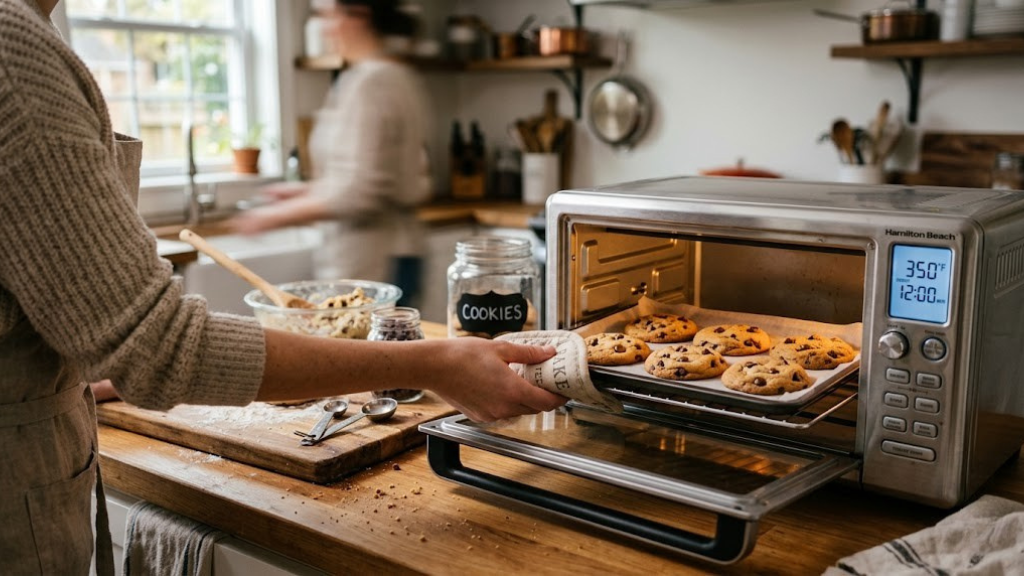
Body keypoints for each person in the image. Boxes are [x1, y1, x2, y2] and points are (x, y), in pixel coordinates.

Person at [0, 0, 566, 573]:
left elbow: (125, 339)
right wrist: (437, 362)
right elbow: (158, 347)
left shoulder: (26, 44)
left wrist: (82, 367)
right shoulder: (13, 49)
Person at [229, 0, 432, 307]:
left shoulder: (372, 82)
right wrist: (301, 192)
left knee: (375, 353)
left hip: (378, 260)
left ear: (358, 16)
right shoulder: (382, 76)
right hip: (383, 252)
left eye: (327, 16)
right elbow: (358, 176)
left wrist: (273, 217)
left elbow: (361, 191)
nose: (322, 27)